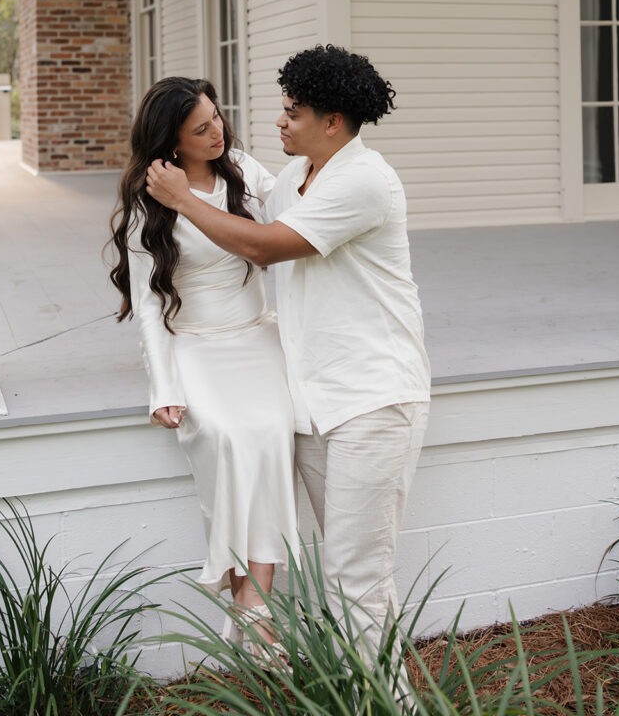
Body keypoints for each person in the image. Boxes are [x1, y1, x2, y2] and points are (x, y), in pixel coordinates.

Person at [145, 45, 431, 653]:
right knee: (348, 579)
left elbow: (265, 246)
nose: (277, 120)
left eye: (292, 112)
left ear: (331, 123)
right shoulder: (295, 178)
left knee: (357, 581)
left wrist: (182, 199)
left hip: (371, 400)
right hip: (311, 399)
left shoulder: (363, 181)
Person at [110, 76, 308, 652]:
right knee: (225, 437)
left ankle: (254, 605)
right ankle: (254, 609)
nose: (218, 131)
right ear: (172, 142)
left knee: (271, 434)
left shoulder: (242, 169)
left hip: (256, 335)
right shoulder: (147, 206)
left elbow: (297, 209)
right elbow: (149, 308)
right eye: (201, 128)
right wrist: (163, 387)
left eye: (217, 118)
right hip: (195, 343)